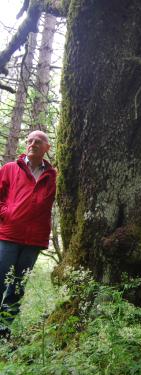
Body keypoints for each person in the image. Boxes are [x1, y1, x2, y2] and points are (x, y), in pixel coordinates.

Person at [0, 130, 56, 338]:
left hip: (34, 240)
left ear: (46, 148)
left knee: (18, 286)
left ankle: (3, 329)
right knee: (0, 280)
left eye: (39, 141)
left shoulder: (53, 176)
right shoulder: (9, 169)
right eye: (30, 140)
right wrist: (7, 214)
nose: (33, 144)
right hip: (8, 235)